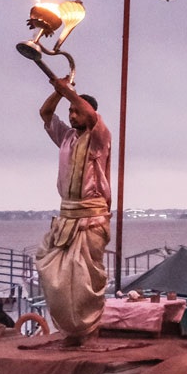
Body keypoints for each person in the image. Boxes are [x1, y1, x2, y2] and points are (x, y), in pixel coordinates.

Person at [34, 76, 113, 346]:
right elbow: (45, 113)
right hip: (67, 219)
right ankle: (71, 331)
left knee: (86, 281)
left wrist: (68, 91)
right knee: (55, 275)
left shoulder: (100, 136)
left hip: (91, 219)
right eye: (69, 111)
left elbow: (89, 113)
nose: (71, 115)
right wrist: (59, 91)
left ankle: (89, 332)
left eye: (75, 111)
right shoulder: (66, 137)